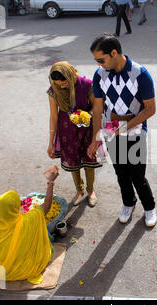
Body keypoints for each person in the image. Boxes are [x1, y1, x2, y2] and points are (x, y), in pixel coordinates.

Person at [88, 34, 157, 227]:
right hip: (111, 133)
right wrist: (95, 138)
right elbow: (98, 109)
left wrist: (126, 126)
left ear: (114, 52)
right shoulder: (99, 75)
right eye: (96, 61)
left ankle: (149, 207)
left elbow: (150, 109)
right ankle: (128, 203)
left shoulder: (140, 73)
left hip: (135, 132)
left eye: (101, 60)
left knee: (137, 174)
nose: (99, 64)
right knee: (121, 172)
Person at [0, 167, 59, 284]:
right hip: (24, 269)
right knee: (45, 239)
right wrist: (51, 182)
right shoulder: (27, 220)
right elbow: (46, 206)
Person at [47, 61, 101, 207]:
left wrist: (85, 114)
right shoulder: (54, 90)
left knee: (89, 160)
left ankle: (91, 191)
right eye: (57, 84)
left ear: (70, 75)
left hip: (87, 128)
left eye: (64, 83)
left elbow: (97, 107)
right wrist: (51, 142)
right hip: (67, 131)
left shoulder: (86, 85)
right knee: (73, 162)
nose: (61, 86)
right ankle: (79, 190)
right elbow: (53, 116)